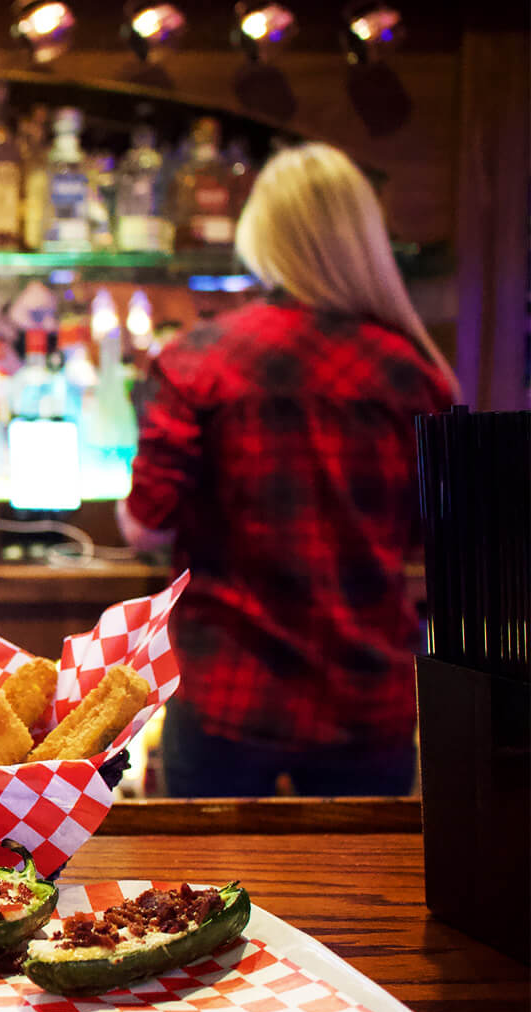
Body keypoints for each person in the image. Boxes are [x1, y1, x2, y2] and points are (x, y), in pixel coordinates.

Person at [117, 143, 455, 798]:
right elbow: (431, 536)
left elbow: (146, 525)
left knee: (204, 898)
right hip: (367, 698)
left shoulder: (198, 361)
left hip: (229, 694)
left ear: (263, 235)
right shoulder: (416, 375)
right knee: (361, 899)